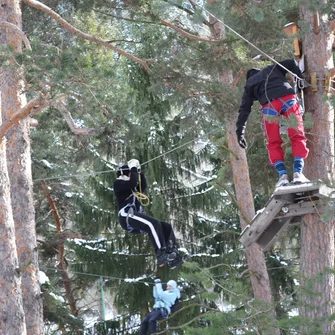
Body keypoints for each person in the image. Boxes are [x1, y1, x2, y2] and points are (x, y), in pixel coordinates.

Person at [236, 59, 309, 188]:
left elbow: (244, 109)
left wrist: (240, 131)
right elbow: (291, 62)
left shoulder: (249, 84)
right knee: (297, 136)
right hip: (288, 99)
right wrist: (300, 78)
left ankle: (283, 176)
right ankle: (298, 173)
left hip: (269, 107)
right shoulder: (272, 68)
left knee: (274, 143)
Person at [113, 158, 179, 267]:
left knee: (165, 226)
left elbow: (142, 185)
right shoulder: (118, 183)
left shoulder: (132, 189)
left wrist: (139, 171)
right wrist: (133, 168)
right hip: (126, 215)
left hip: (133, 215)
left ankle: (171, 253)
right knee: (153, 224)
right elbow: (133, 182)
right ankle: (161, 253)